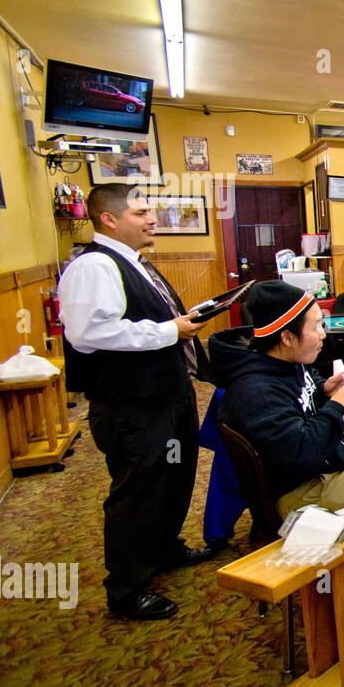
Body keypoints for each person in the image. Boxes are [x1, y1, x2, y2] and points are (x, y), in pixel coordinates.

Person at [59, 183, 214, 621]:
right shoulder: (94, 267)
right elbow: (89, 333)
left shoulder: (134, 263)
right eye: (141, 212)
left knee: (174, 477)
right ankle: (126, 589)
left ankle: (163, 549)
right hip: (133, 404)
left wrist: (183, 323)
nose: (152, 220)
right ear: (108, 219)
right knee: (138, 492)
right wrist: (171, 332)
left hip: (167, 393)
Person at [211, 281, 344, 578]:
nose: (324, 334)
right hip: (299, 488)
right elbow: (300, 451)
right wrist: (337, 407)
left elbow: (296, 399)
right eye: (317, 326)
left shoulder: (283, 362)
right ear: (287, 337)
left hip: (323, 466)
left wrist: (323, 390)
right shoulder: (256, 391)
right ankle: (343, 594)